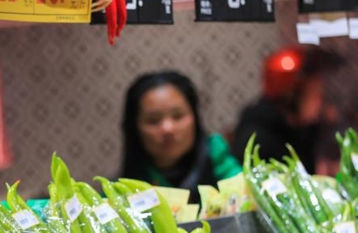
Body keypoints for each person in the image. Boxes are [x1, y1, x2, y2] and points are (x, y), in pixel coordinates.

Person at [120, 71, 242, 201]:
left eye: (178, 116)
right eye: (153, 120)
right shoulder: (122, 189)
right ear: (134, 128)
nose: (168, 129)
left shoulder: (215, 152)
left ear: (195, 117)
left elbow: (243, 193)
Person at [230, 46, 344, 174]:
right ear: (291, 97)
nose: (321, 101)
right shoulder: (259, 142)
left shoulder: (298, 130)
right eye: (315, 94)